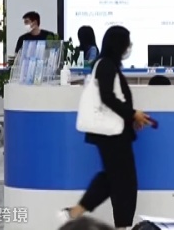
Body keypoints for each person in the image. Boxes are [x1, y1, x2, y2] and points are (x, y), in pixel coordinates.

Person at [59, 26, 153, 229]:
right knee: (124, 183)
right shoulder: (106, 66)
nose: (129, 47)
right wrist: (132, 114)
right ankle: (117, 224)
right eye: (127, 43)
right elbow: (107, 97)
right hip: (111, 135)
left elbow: (114, 98)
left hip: (114, 133)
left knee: (113, 179)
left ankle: (75, 212)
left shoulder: (107, 65)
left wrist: (131, 118)